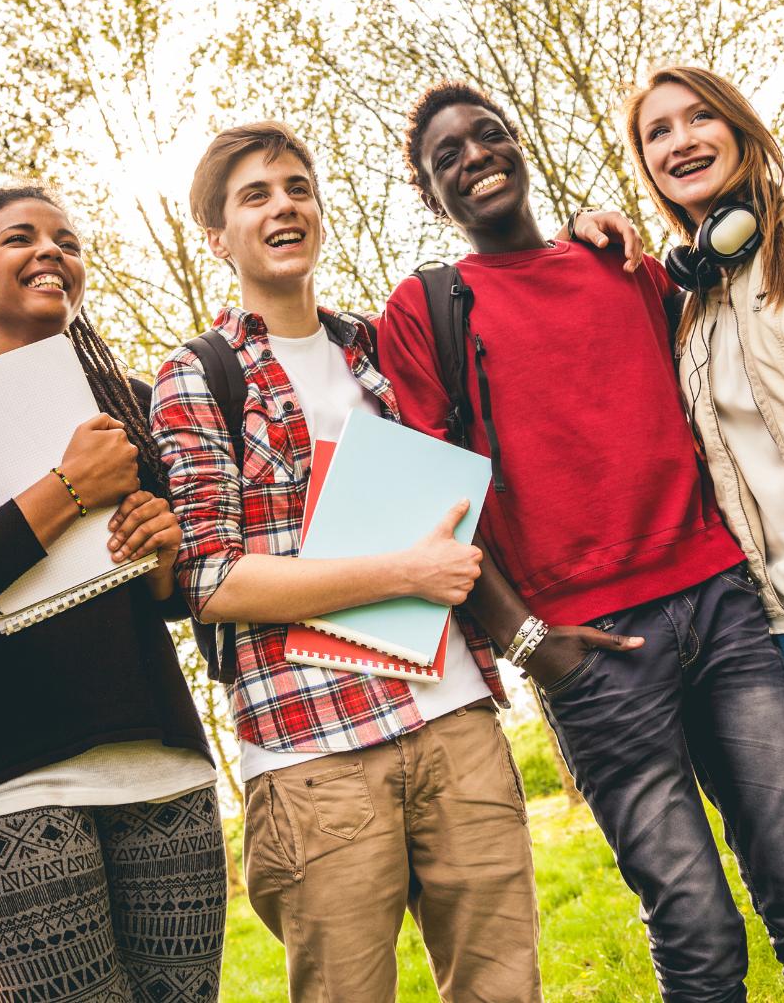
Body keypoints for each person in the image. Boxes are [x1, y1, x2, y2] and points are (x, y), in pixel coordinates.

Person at [379, 78, 784, 1002]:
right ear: (431, 194)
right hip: (595, 657)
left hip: (724, 608)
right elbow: (430, 505)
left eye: (489, 135)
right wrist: (530, 643)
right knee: (698, 936)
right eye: (446, 157)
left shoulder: (631, 269)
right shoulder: (424, 311)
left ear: (520, 148)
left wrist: (612, 224)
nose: (475, 158)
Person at [151, 121, 544, 1003]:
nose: (283, 205)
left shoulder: (384, 349)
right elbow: (212, 580)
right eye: (254, 195)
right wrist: (403, 574)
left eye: (297, 187)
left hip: (455, 723)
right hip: (314, 756)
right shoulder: (197, 375)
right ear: (218, 238)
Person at [0, 184, 226, 1003]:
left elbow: (166, 598)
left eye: (67, 240)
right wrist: (66, 488)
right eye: (20, 238)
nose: (50, 252)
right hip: (1, 782)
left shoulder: (131, 405)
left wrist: (162, 544)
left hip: (159, 763)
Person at [623, 65, 784, 744]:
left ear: (739, 130)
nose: (680, 140)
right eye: (658, 132)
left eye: (699, 117)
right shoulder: (689, 308)